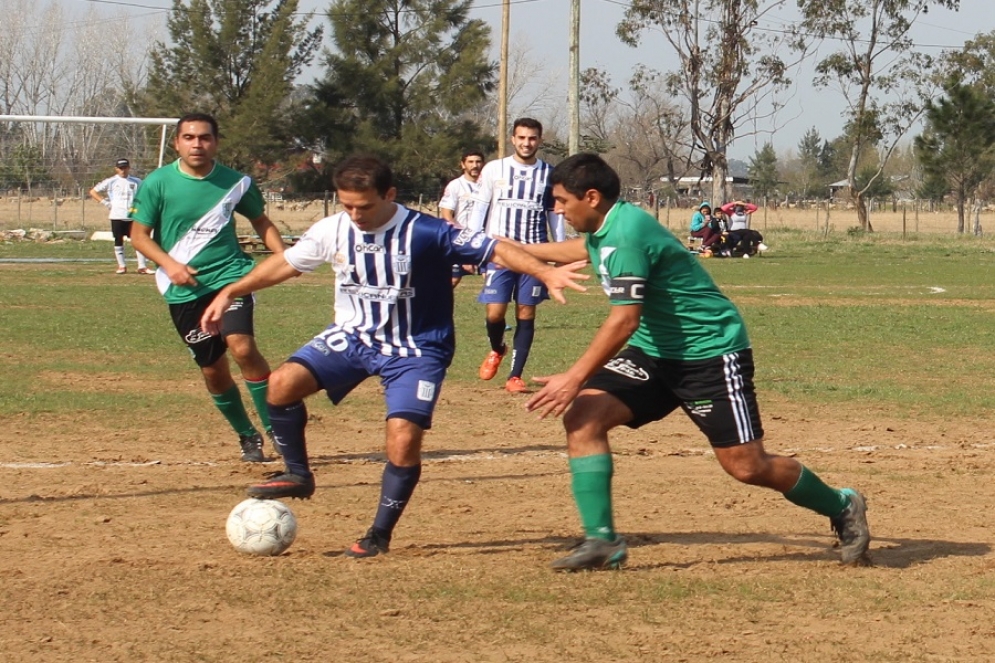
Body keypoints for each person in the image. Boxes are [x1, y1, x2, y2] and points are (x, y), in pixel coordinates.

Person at [198, 154, 588, 558]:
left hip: (417, 349)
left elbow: (497, 249)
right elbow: (287, 264)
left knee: (402, 439)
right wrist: (232, 291)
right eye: (347, 205)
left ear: (389, 195)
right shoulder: (333, 229)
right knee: (281, 385)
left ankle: (378, 535)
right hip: (353, 337)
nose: (355, 214)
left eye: (364, 206)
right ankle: (298, 472)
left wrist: (543, 272)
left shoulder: (428, 231)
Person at [520, 153, 871, 571]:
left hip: (709, 353)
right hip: (655, 353)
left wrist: (574, 376)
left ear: (591, 197)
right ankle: (602, 541)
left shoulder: (626, 234)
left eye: (561, 201)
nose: (557, 209)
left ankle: (842, 504)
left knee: (746, 465)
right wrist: (516, 250)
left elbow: (624, 320)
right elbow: (583, 248)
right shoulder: (606, 227)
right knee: (584, 417)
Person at [129, 113, 286, 463]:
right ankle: (248, 436)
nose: (196, 144)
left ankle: (276, 427)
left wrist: (285, 256)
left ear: (216, 142)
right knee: (213, 369)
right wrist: (171, 266)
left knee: (242, 348)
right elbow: (138, 236)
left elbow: (260, 220)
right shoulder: (157, 183)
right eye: (189, 137)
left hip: (231, 277)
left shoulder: (236, 182)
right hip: (182, 290)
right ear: (177, 143)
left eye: (204, 138)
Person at [466, 118, 565, 394]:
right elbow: (480, 209)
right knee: (495, 312)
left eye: (532, 138)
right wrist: (470, 245)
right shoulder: (494, 169)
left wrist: (559, 249)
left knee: (526, 310)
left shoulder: (549, 174)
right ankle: (497, 348)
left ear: (540, 141)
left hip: (535, 253)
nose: (526, 143)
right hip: (499, 252)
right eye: (521, 138)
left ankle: (515, 376)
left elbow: (553, 214)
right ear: (512, 139)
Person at [89, 158, 153, 275]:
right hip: (117, 215)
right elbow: (93, 192)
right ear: (116, 169)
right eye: (120, 168)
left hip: (133, 216)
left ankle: (142, 266)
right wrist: (106, 203)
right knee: (118, 240)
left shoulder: (136, 181)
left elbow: (147, 193)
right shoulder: (111, 181)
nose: (123, 170)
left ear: (129, 168)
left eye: (125, 167)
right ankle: (122, 266)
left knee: (138, 240)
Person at [438, 149, 484, 287]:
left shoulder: (488, 185)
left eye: (478, 162)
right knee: (452, 280)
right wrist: (461, 237)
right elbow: (446, 215)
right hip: (460, 240)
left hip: (484, 239)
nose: (475, 165)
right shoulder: (455, 185)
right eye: (470, 162)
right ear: (463, 165)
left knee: (491, 279)